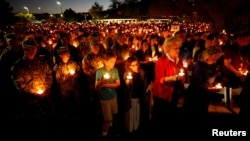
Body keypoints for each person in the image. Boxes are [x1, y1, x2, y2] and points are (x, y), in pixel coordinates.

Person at [10, 38, 54, 139]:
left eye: (34, 48)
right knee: (36, 123)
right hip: (30, 100)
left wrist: (46, 88)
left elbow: (49, 75)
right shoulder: (18, 66)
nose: (33, 51)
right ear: (24, 49)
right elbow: (19, 84)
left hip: (46, 97)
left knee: (49, 118)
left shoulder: (42, 62)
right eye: (30, 49)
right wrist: (34, 94)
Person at [182, 46, 223, 136]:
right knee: (193, 115)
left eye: (217, 58)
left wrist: (214, 86)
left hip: (205, 94)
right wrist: (209, 88)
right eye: (214, 57)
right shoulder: (199, 66)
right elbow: (197, 81)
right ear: (207, 56)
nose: (215, 59)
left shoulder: (213, 65)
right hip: (195, 93)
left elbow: (212, 79)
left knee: (202, 114)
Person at [151, 36, 185, 137]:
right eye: (176, 48)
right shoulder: (161, 61)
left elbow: (182, 73)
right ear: (168, 48)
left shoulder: (179, 59)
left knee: (172, 115)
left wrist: (181, 77)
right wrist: (173, 78)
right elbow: (160, 80)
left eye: (179, 48)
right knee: (162, 118)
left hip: (174, 92)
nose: (178, 50)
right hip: (163, 94)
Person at [95, 51, 121, 137]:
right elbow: (96, 87)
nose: (113, 63)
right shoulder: (100, 72)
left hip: (113, 96)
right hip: (105, 98)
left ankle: (110, 126)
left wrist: (106, 85)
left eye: (114, 61)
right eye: (111, 61)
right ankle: (104, 132)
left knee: (114, 113)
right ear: (105, 61)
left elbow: (118, 84)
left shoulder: (115, 70)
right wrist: (102, 81)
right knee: (107, 119)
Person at [123, 56, 148, 134]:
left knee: (137, 113)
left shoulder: (142, 72)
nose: (136, 66)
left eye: (137, 64)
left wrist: (147, 90)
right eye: (133, 65)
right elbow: (126, 89)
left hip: (139, 97)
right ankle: (130, 129)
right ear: (129, 66)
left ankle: (136, 128)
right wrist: (127, 84)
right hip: (131, 98)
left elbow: (144, 84)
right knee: (131, 113)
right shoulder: (127, 74)